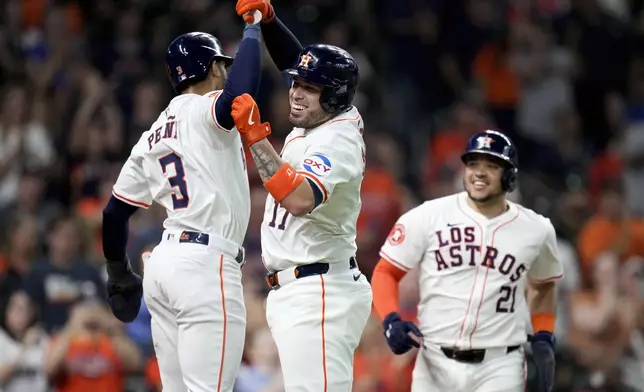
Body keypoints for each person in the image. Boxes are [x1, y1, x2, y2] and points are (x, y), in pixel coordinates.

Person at [100, 17, 263, 392]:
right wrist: (253, 28)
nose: (226, 72)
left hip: (165, 265)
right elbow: (240, 97)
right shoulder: (201, 109)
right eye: (222, 64)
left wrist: (118, 271)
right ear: (211, 68)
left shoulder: (151, 134)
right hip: (204, 266)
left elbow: (114, 213)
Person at [230, 1, 372, 390]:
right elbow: (299, 60)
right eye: (296, 83)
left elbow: (299, 198)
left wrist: (256, 138)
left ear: (334, 97)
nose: (296, 93)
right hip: (302, 288)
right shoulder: (326, 114)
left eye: (310, 88)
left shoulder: (338, 140)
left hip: (320, 290)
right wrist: (272, 22)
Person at [371, 130, 562, 392]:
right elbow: (385, 272)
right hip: (435, 360)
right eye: (473, 164)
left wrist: (543, 334)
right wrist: (390, 319)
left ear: (510, 176)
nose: (479, 173)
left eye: (491, 166)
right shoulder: (427, 216)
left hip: (499, 365)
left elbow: (544, 285)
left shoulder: (537, 230)